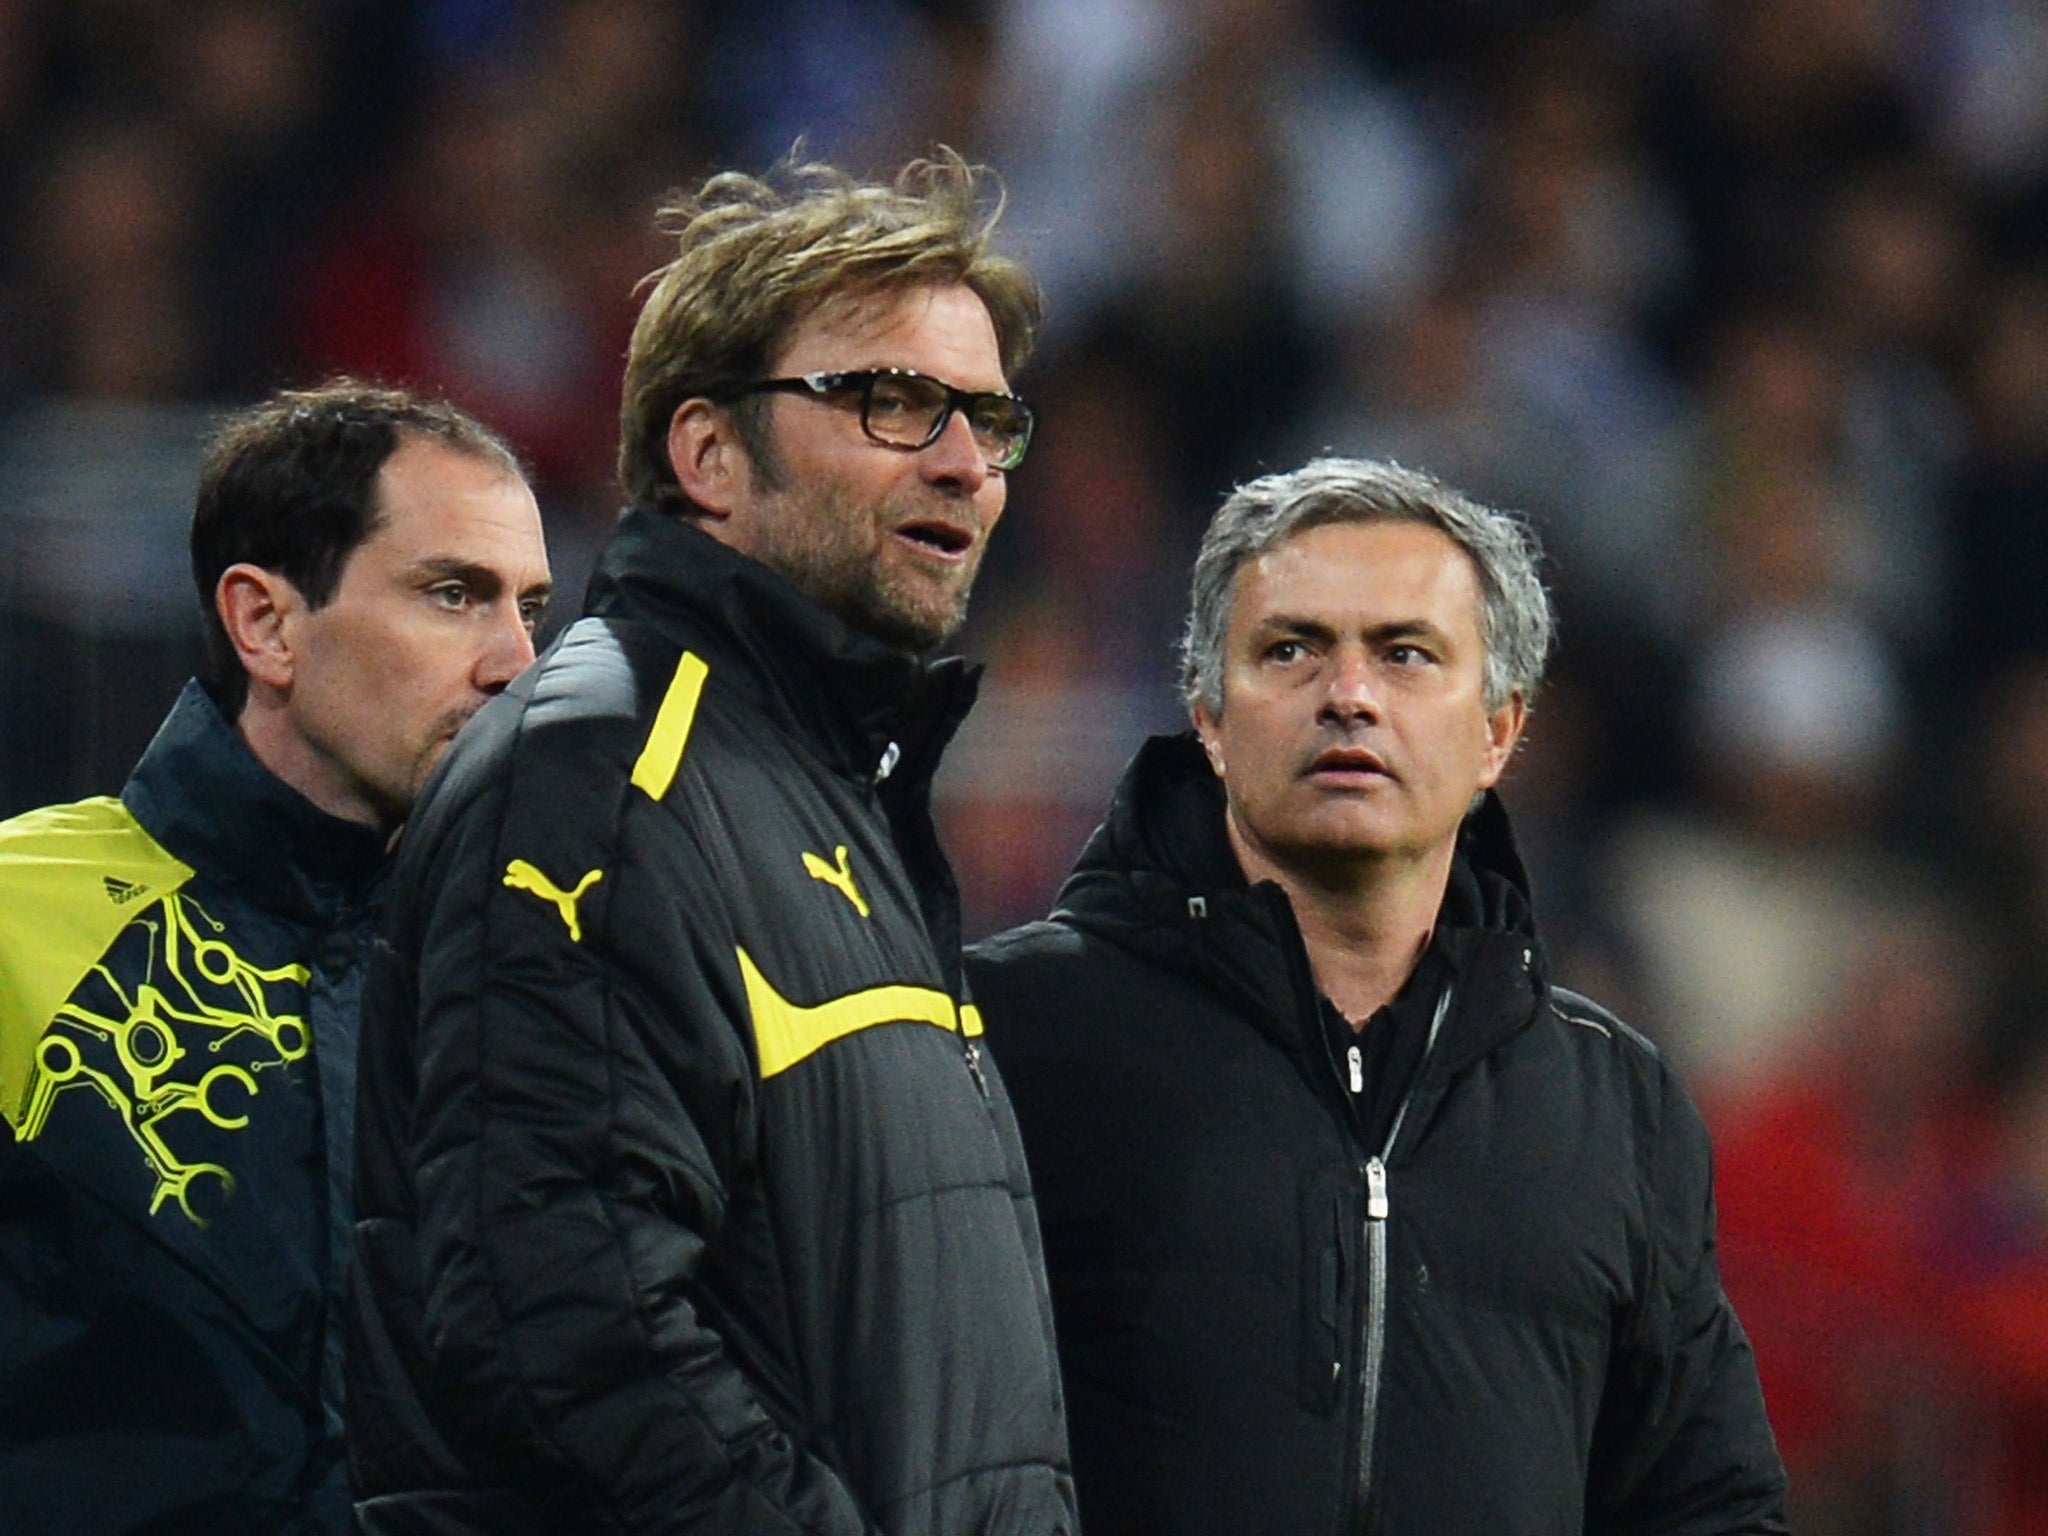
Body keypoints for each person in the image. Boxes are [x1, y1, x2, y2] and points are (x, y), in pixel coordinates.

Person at [345, 152, 1076, 1535]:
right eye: (893, 401)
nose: (966, 464)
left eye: (988, 419)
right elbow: (556, 1319)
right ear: (709, 455)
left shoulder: (831, 785)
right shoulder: (609, 774)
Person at [967, 457, 1789, 1535]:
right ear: (1206, 715)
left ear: (1498, 731)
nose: (1346, 695)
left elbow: (1703, 1503)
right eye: (1290, 650)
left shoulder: (1613, 1104)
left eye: (1405, 655)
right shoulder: (1007, 1034)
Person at [0, 380, 553, 1535]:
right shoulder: (16, 917)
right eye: (453, 594)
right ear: (266, 624)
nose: (516, 663)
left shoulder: (544, 970)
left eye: (531, 610)